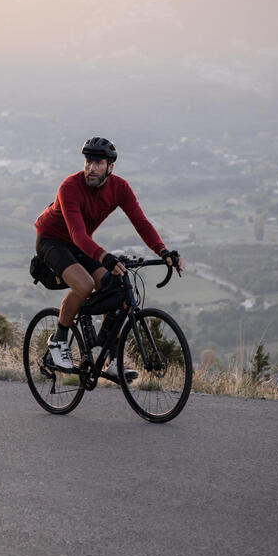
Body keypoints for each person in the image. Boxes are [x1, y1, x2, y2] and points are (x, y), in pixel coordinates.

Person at [34, 136, 182, 383]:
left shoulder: (120, 188)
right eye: (88, 162)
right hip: (52, 240)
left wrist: (163, 251)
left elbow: (141, 222)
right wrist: (105, 257)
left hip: (80, 244)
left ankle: (109, 359)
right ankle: (58, 339)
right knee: (84, 285)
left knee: (115, 288)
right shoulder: (69, 187)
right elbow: (77, 235)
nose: (91, 168)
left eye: (98, 163)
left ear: (110, 167)